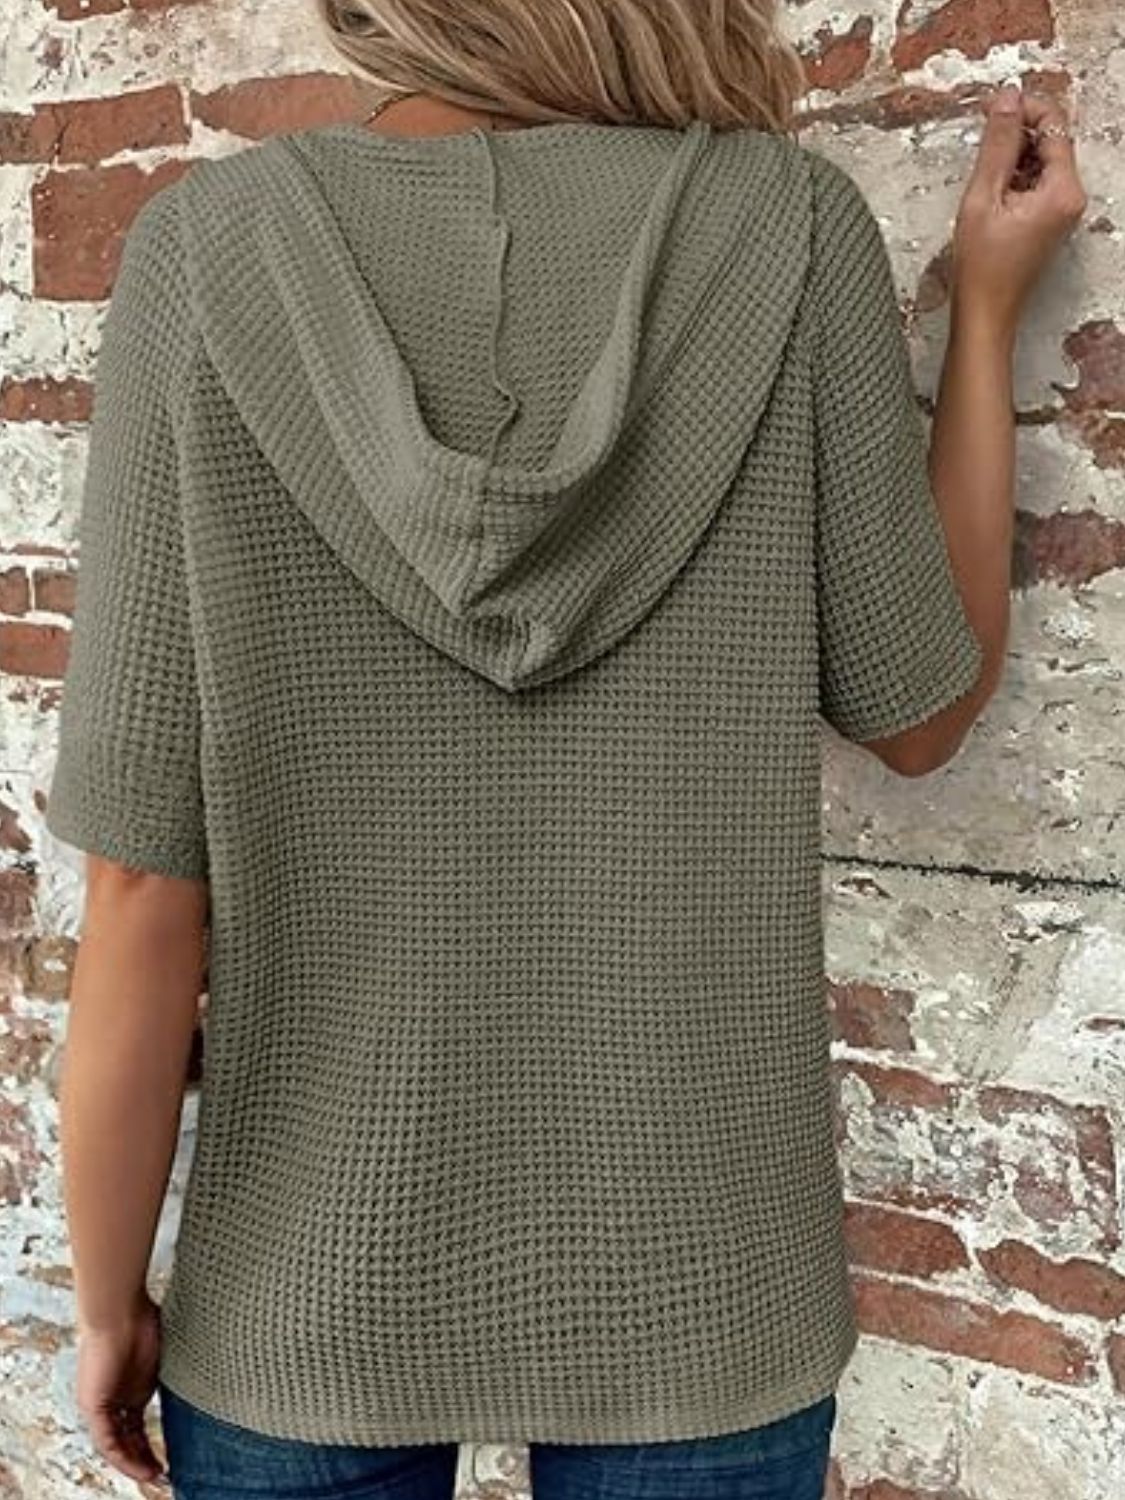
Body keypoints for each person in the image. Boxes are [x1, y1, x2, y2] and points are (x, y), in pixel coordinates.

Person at [45, 2, 1087, 1497]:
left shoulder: (206, 256)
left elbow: (143, 888)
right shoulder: (790, 229)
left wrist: (104, 1303)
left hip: (304, 1292)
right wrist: (983, 318)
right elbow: (919, 714)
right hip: (703, 1286)